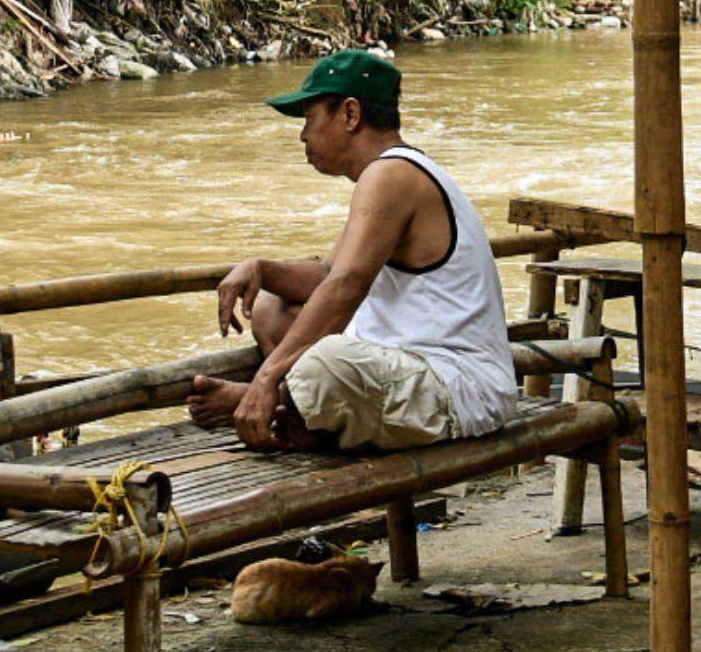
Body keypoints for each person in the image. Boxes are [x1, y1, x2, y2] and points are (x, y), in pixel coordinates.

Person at [186, 49, 519, 452]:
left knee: (328, 363)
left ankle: (274, 407)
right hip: (406, 367)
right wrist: (260, 269)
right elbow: (327, 275)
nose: (303, 136)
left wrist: (265, 379)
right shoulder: (387, 173)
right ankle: (296, 414)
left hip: (457, 386)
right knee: (273, 307)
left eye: (309, 120)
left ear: (349, 114)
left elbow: (345, 286)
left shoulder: (391, 174)